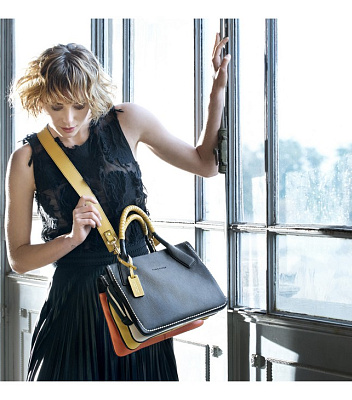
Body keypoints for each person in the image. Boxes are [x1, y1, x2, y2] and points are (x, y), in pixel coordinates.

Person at [5, 34, 230, 381]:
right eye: (56, 106)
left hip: (138, 301)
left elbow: (205, 164)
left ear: (93, 95)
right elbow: (18, 259)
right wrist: (70, 239)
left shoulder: (128, 121)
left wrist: (217, 90)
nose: (68, 118)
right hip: (75, 309)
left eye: (79, 106)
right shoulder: (25, 160)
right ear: (40, 98)